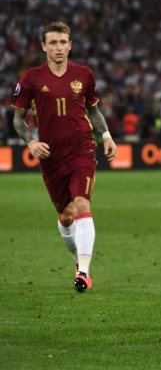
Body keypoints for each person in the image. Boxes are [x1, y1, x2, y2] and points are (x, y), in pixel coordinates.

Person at [12, 21, 117, 293]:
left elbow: (93, 111)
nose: (59, 48)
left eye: (63, 42)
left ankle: (83, 272)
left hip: (81, 147)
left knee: (82, 204)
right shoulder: (30, 78)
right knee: (66, 216)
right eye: (53, 43)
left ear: (70, 45)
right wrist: (31, 142)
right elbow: (18, 119)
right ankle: (77, 261)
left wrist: (105, 136)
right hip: (50, 155)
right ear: (44, 46)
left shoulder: (84, 74)